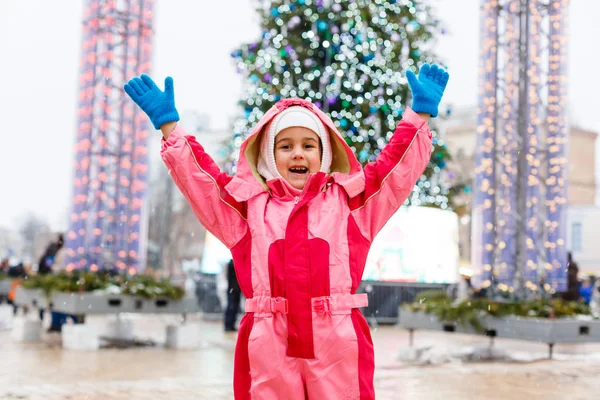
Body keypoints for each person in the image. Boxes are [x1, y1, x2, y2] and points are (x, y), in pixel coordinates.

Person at [125, 63, 448, 399]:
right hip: (269, 344)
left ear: (323, 155)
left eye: (309, 145)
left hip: (336, 342)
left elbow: (392, 173)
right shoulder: (247, 210)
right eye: (286, 146)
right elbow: (205, 185)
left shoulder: (352, 204)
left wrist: (418, 118)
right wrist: (169, 128)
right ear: (268, 156)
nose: (298, 152)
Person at [224, 259, 242, 332]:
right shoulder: (233, 263)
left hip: (235, 290)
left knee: (234, 308)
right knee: (232, 308)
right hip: (233, 290)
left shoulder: (233, 263)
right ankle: (228, 325)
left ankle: (230, 325)